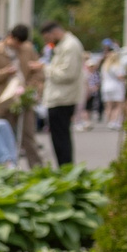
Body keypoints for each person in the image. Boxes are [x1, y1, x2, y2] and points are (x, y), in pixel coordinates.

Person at [0, 24, 44, 167]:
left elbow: (38, 71)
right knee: (2, 138)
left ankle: (37, 169)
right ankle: (5, 169)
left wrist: (30, 87)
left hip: (23, 99)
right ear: (10, 37)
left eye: (22, 43)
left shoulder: (28, 49)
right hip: (1, 101)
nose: (19, 46)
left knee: (29, 137)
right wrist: (4, 72)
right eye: (17, 42)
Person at [39, 21, 84, 166]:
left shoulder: (70, 46)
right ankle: (64, 168)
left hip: (62, 98)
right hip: (60, 97)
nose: (48, 42)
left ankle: (66, 169)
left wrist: (45, 68)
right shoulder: (65, 44)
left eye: (48, 38)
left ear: (54, 33)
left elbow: (67, 74)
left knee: (61, 139)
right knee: (59, 138)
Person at [99, 43, 127, 133]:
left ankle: (109, 121)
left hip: (105, 87)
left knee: (109, 106)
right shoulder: (117, 66)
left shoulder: (104, 66)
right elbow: (120, 76)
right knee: (118, 105)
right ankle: (114, 122)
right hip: (116, 86)